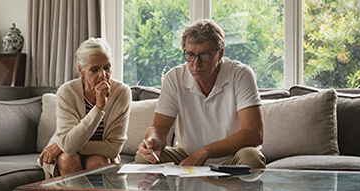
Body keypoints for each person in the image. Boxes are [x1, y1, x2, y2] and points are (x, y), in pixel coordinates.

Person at [136, 19, 266, 168]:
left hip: (233, 157)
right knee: (143, 159)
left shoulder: (240, 74)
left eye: (204, 55)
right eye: (190, 55)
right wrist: (153, 140)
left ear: (220, 54)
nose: (196, 64)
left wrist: (205, 152)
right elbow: (159, 127)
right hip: (187, 156)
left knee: (252, 158)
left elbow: (254, 133)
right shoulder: (174, 77)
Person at [38, 38, 131, 178]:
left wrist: (60, 146)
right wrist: (98, 109)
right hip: (67, 155)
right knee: (66, 160)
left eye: (107, 67)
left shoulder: (121, 93)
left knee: (97, 161)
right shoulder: (66, 92)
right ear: (81, 70)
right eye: (94, 69)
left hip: (100, 156)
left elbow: (113, 149)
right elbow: (69, 149)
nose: (103, 75)